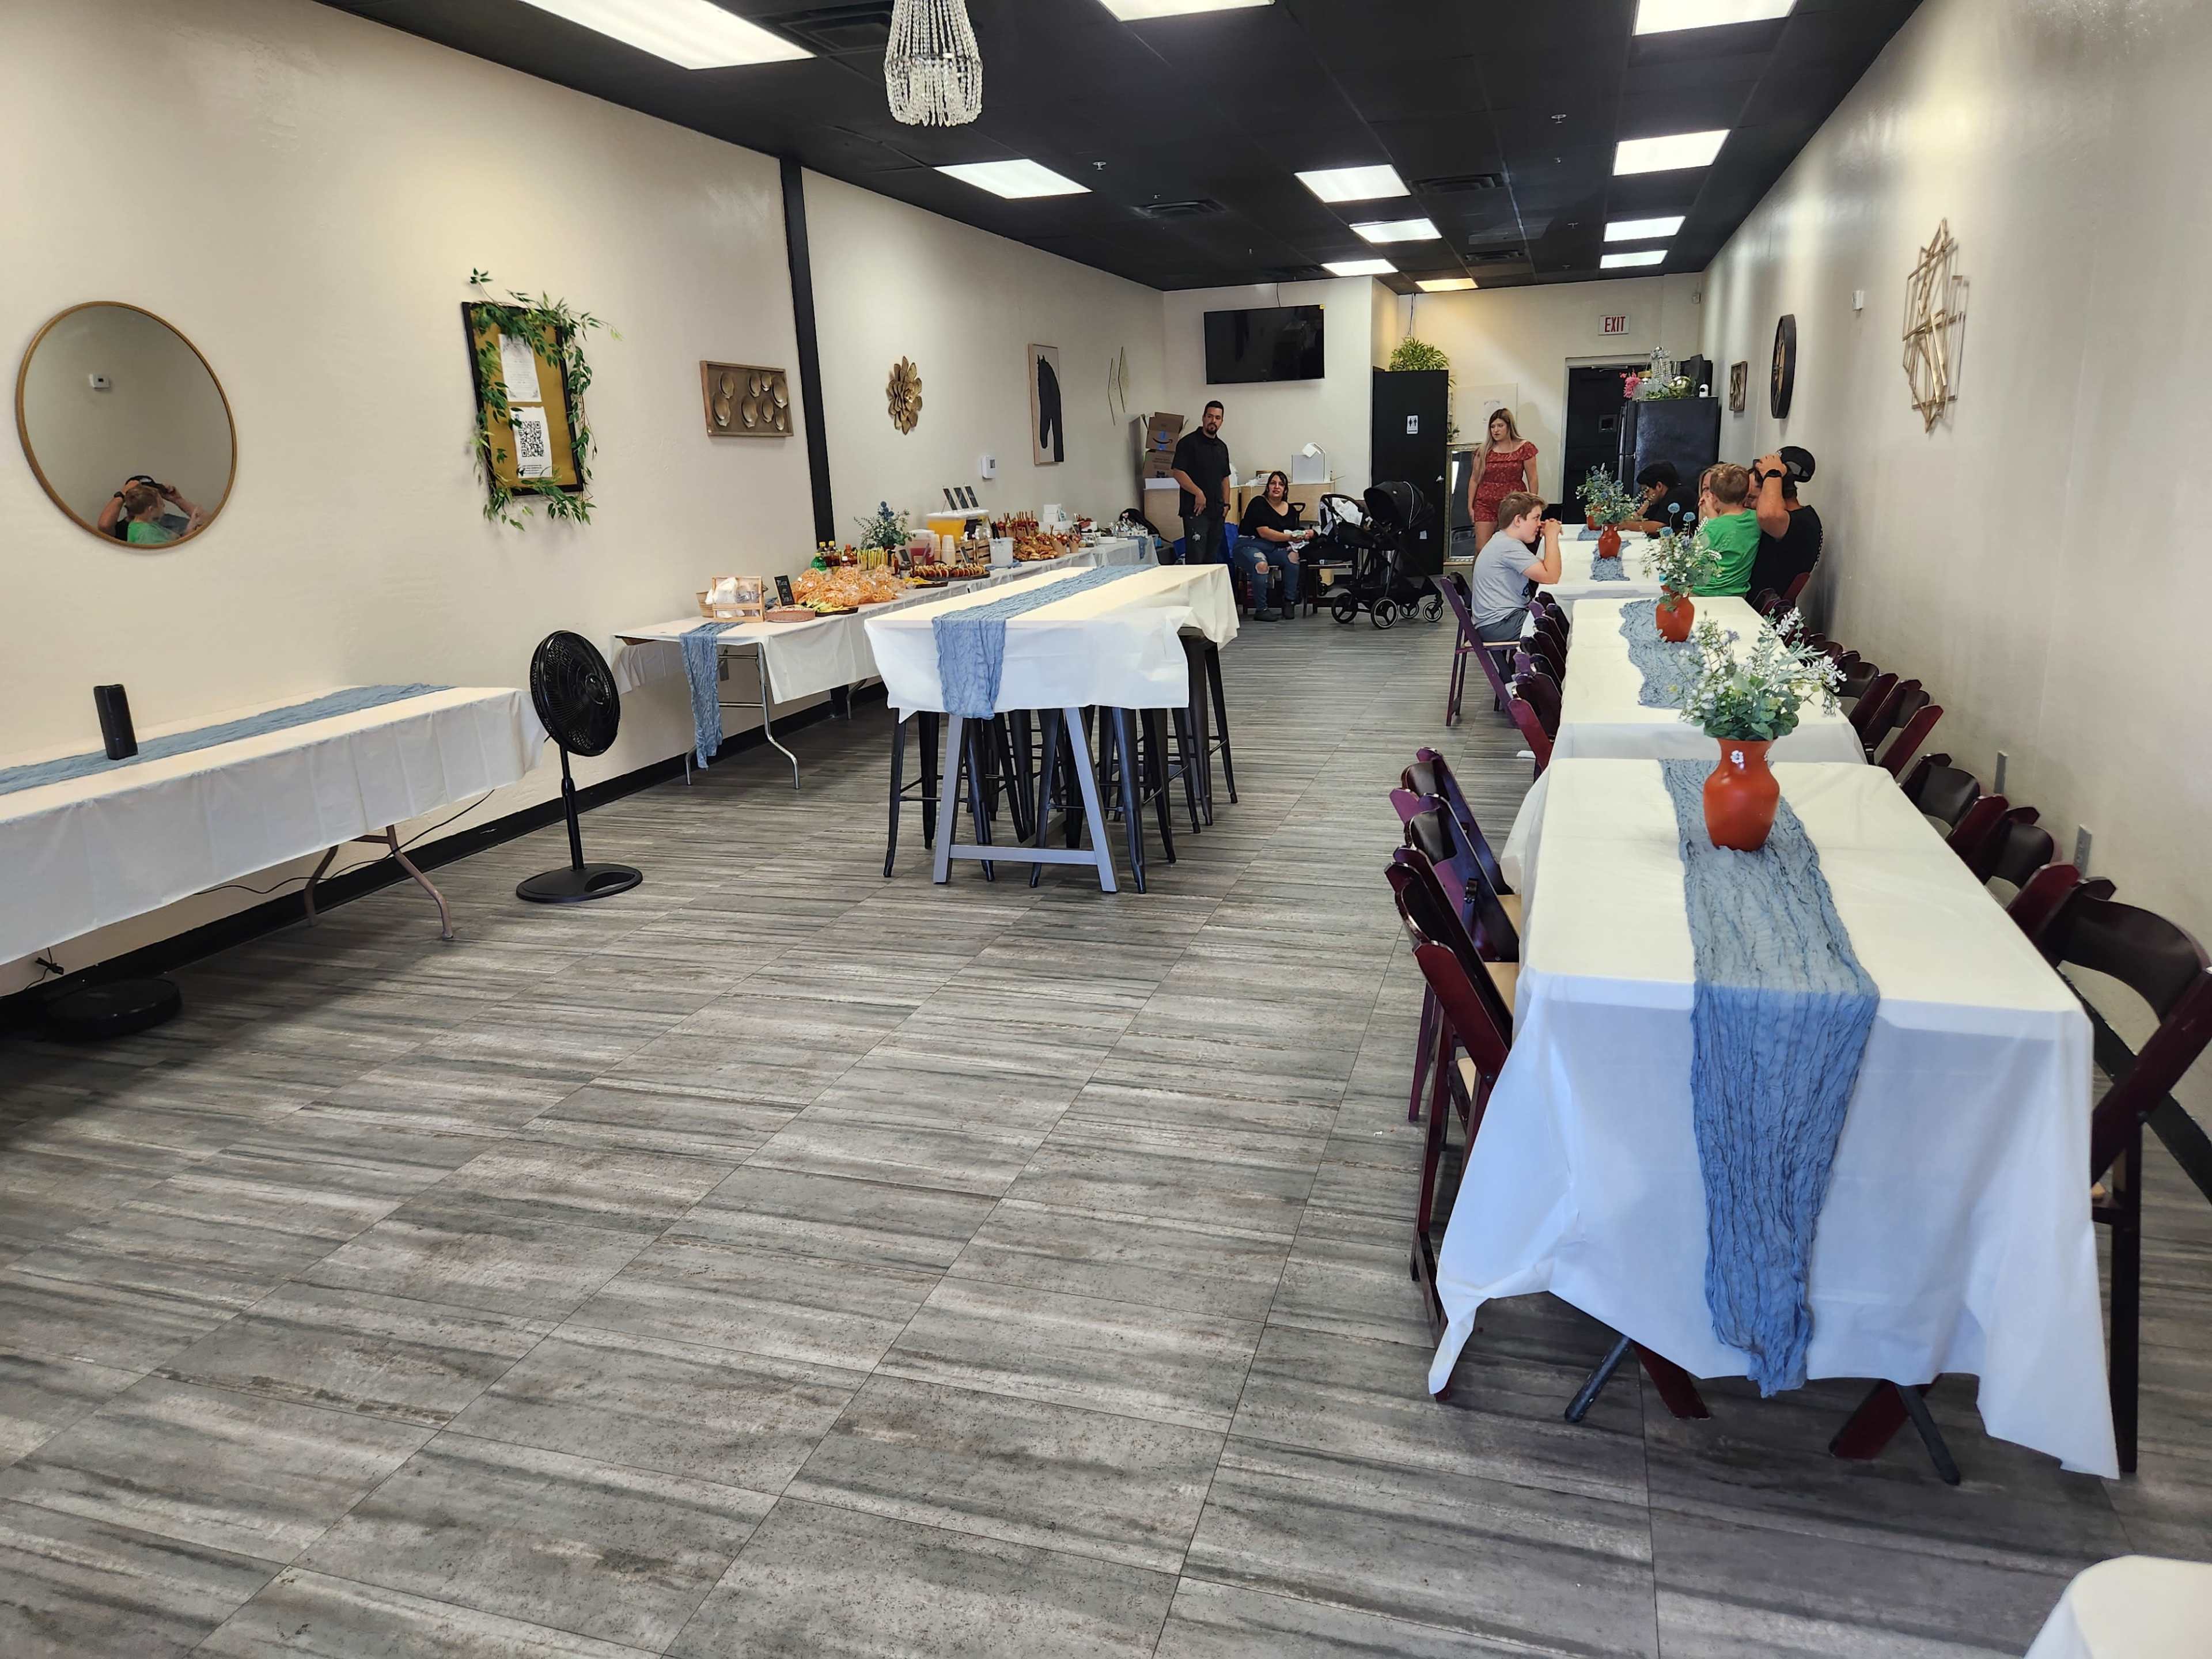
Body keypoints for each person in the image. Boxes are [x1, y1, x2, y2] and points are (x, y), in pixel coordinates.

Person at [1467, 491, 1562, 643]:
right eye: (1536, 518)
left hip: (1501, 620)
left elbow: (1544, 568)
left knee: (1558, 620)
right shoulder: (1508, 546)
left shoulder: (1504, 541)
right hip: (1500, 624)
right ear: (1518, 520)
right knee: (1558, 627)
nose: (1540, 524)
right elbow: (1551, 577)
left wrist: (1550, 536)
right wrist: (1551, 537)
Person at [1747, 445, 1823, 604]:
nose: (1747, 505)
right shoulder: (1798, 518)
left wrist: (1772, 474)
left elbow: (1768, 515)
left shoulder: (1803, 523)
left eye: (1752, 498)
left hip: (1762, 614)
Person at [1236, 469, 1309, 620]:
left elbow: (1293, 532)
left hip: (1274, 548)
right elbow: (1264, 533)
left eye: (1281, 484)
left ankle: (1289, 602)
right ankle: (1261, 609)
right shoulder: (1258, 503)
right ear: (1268, 487)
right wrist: (1291, 537)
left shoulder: (1291, 510)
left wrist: (1307, 535)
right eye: (1273, 483)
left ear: (1285, 489)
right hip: (1249, 545)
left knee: (1293, 557)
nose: (1277, 487)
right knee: (1261, 564)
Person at [1168, 400, 1231, 567]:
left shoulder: (1222, 448)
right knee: (1196, 559)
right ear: (1203, 418)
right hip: (1196, 511)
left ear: (1222, 422)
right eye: (1210, 416)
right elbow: (1178, 472)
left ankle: (1208, 594)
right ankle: (1194, 594)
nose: (1213, 421)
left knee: (1212, 561)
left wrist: (1226, 505)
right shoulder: (1188, 443)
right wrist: (1198, 493)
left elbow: (1225, 478)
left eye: (1218, 418)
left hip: (1217, 512)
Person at [1466, 407, 1539, 552]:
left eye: (1500, 426)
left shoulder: (1524, 448)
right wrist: (1470, 506)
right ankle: (1480, 576)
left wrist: (1533, 505)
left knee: (1512, 548)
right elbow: (1474, 479)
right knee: (1482, 548)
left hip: (1513, 504)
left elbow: (1533, 478)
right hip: (1485, 503)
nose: (1496, 430)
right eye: (1492, 426)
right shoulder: (1484, 451)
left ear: (1509, 426)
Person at [1690, 464, 1759, 597]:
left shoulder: (1711, 527)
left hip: (1704, 594)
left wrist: (1709, 520)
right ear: (1746, 494)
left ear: (1714, 496)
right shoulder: (1756, 520)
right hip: (1738, 595)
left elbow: (1692, 564)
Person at [108, 480, 206, 546]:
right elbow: (172, 551)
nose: (164, 506)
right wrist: (192, 527)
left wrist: (192, 523)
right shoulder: (145, 533)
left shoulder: (149, 525)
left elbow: (175, 540)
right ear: (151, 509)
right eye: (161, 504)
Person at [1620, 460, 1694, 535]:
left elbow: (1657, 527)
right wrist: (1639, 513)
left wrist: (1625, 525)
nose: (1645, 496)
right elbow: (1644, 521)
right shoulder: (1661, 499)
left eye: (1647, 491)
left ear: (1659, 486)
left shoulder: (1679, 494)